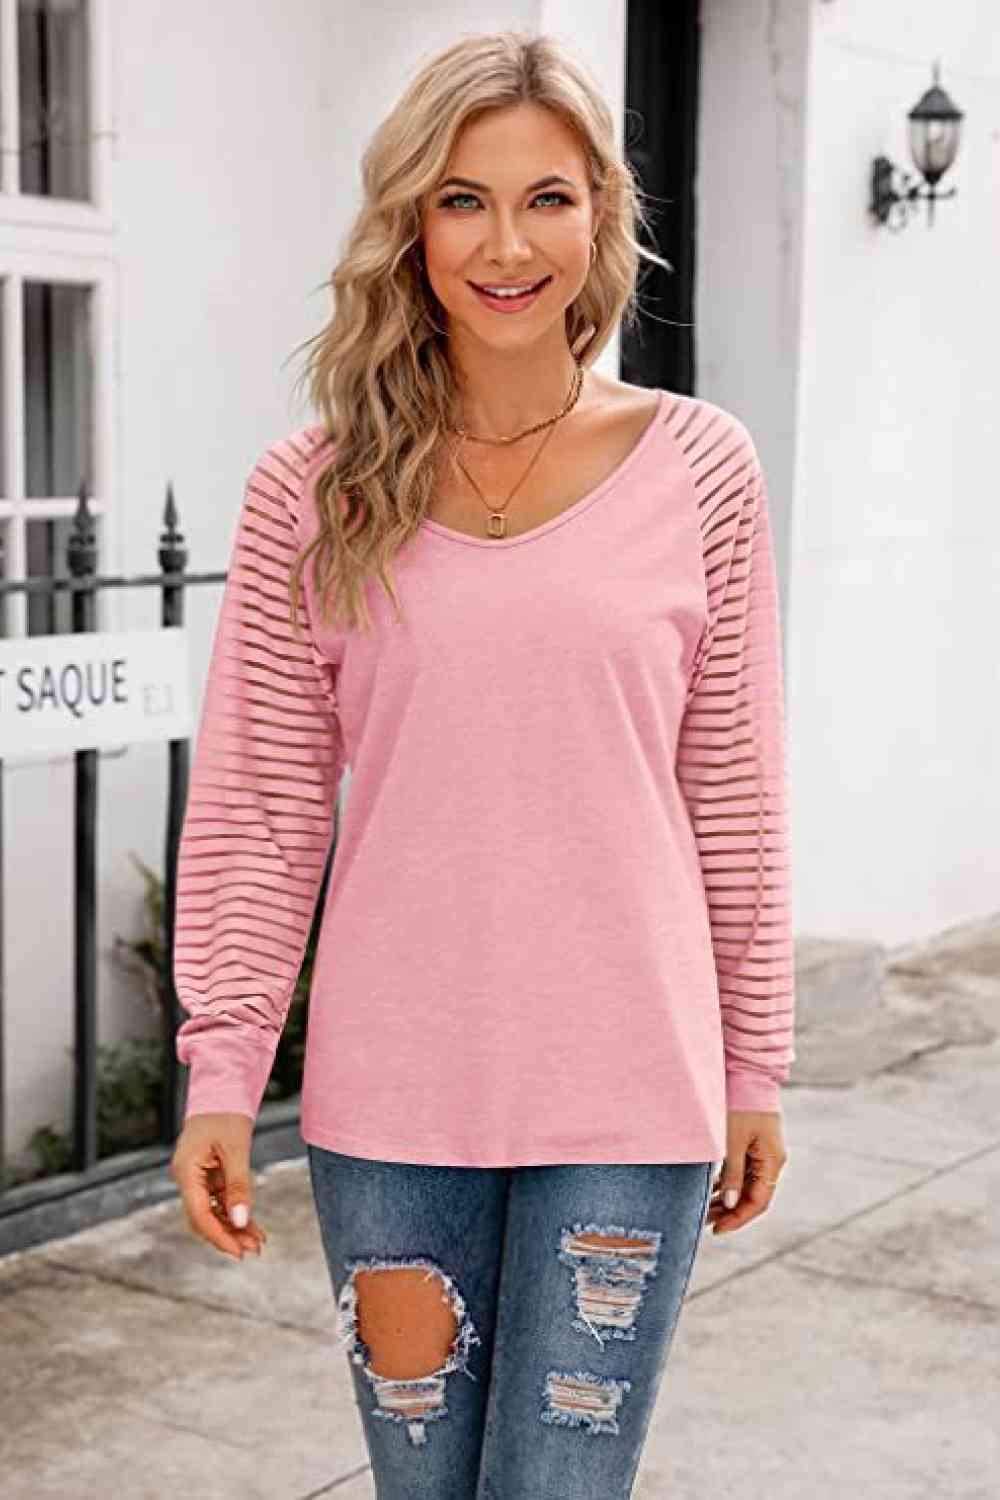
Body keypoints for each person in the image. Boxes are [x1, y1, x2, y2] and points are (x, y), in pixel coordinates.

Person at [169, 29, 794, 1498]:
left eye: (546, 199)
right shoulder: (310, 494)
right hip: (393, 1101)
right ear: (409, 226)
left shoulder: (700, 467)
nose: (506, 245)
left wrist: (754, 1059)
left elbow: (734, 790)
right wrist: (223, 1064)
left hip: (629, 1096)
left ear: (601, 217)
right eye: (462, 200)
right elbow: (263, 805)